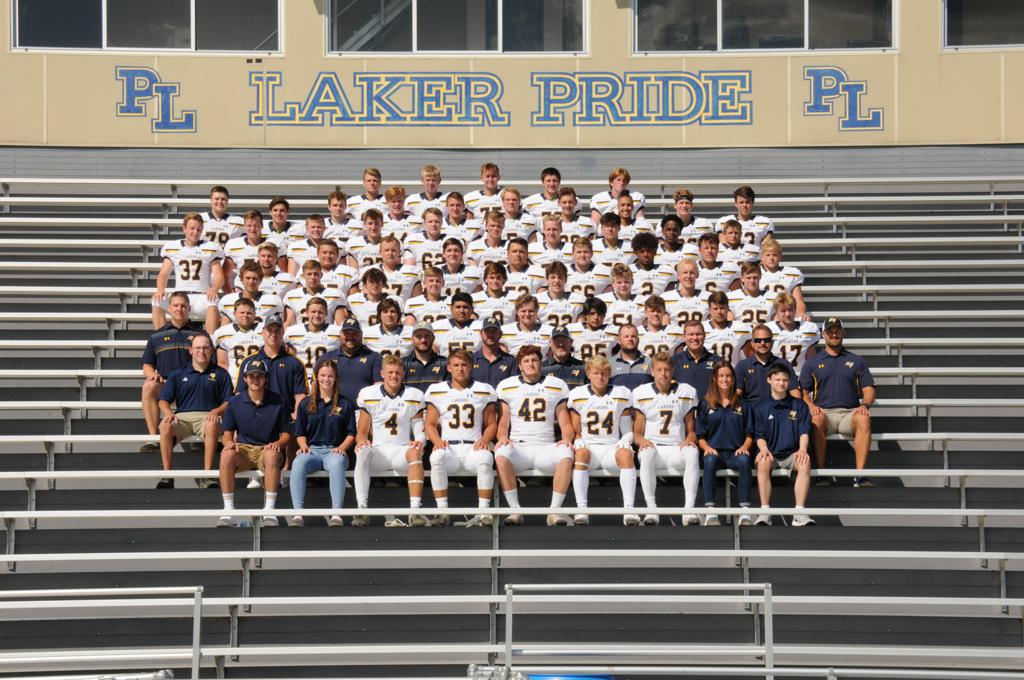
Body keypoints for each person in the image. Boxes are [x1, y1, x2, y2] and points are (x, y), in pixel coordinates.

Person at [495, 346, 575, 526]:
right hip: (519, 447)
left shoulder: (556, 385)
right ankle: (515, 510)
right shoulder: (507, 386)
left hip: (546, 447)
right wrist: (502, 438)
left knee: (567, 454)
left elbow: (565, 422)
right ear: (519, 365)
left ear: (541, 363)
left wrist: (567, 439)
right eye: (526, 361)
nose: (531, 364)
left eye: (535, 360)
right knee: (500, 455)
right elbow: (503, 422)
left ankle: (554, 511)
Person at [424, 349, 499, 525]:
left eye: (464, 365)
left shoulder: (484, 390)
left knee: (486, 457)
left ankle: (484, 512)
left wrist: (485, 440)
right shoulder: (437, 390)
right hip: (449, 447)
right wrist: (436, 441)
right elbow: (430, 423)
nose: (460, 369)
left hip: (473, 446)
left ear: (471, 366)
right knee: (436, 457)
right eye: (456, 365)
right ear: (449, 367)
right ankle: (442, 512)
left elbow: (491, 423)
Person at [800, 317, 875, 486]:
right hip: (824, 413)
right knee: (815, 418)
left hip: (850, 413)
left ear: (843, 333)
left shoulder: (857, 360)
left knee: (864, 417)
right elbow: (802, 393)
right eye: (830, 331)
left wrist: (864, 404)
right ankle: (822, 474)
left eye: (837, 330)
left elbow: (869, 391)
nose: (834, 334)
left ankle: (860, 476)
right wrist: (811, 405)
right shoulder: (812, 362)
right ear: (823, 334)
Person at [354, 355, 428, 527]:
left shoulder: (414, 395)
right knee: (362, 452)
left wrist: (419, 441)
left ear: (403, 373)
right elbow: (362, 432)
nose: (394, 376)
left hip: (401, 451)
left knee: (416, 452)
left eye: (397, 372)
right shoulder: (368, 394)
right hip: (379, 451)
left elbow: (419, 431)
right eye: (390, 372)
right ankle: (361, 509)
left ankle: (415, 511)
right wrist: (361, 441)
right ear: (382, 374)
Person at [217, 358, 292, 527]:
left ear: (266, 378)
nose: (255, 379)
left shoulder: (279, 401)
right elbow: (227, 435)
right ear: (245, 378)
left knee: (272, 455)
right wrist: (228, 443)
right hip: (243, 450)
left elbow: (287, 435)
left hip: (267, 449)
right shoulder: (234, 402)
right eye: (251, 376)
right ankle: (228, 510)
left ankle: (269, 510)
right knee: (226, 455)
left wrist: (278, 444)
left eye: (260, 376)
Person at [631, 352, 700, 525]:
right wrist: (642, 441)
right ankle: (651, 510)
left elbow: (691, 430)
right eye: (659, 370)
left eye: (667, 370)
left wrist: (690, 439)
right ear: (652, 372)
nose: (664, 373)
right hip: (654, 449)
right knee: (646, 453)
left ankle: (689, 510)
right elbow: (637, 433)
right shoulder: (641, 393)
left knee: (692, 452)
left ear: (673, 371)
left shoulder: (686, 392)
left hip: (677, 448)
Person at [156, 333, 232, 488]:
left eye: (205, 348)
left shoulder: (221, 374)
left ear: (211, 350)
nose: (201, 351)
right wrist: (168, 412)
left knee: (211, 424)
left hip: (208, 417)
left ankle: (207, 476)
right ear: (190, 350)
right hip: (182, 418)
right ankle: (167, 476)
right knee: (164, 426)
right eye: (197, 348)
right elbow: (163, 400)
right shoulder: (177, 373)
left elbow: (229, 402)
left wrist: (216, 411)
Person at [568, 355, 637, 525]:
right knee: (580, 453)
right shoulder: (577, 395)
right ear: (588, 374)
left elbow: (628, 431)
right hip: (589, 449)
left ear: (610, 374)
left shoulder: (622, 394)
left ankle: (629, 510)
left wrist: (626, 439)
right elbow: (575, 431)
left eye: (604, 373)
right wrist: (577, 438)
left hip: (611, 448)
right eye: (596, 373)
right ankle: (582, 510)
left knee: (626, 454)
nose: (600, 377)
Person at [288, 360, 357, 527]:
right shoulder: (305, 403)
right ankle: (298, 513)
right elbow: (300, 433)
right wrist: (303, 446)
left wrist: (342, 448)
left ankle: (336, 513)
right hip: (313, 451)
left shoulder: (345, 403)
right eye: (323, 375)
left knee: (336, 463)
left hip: (335, 451)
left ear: (336, 378)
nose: (326, 379)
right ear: (317, 377)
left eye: (330, 376)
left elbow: (351, 434)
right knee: (298, 463)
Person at [140, 292, 204, 452]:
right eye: (175, 305)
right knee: (148, 386)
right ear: (169, 308)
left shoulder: (200, 334)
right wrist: (152, 375)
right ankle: (153, 438)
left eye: (183, 306)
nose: (179, 309)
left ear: (189, 308)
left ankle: (199, 435)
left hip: (194, 384)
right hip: (167, 385)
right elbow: (147, 365)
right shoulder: (156, 336)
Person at [753, 363, 814, 526]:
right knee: (763, 461)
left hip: (791, 454)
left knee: (804, 461)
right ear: (769, 380)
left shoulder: (799, 405)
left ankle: (799, 514)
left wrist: (802, 449)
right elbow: (759, 435)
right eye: (777, 379)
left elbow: (804, 431)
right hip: (771, 453)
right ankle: (765, 513)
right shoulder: (760, 407)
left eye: (785, 380)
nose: (781, 383)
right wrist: (764, 449)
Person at [697, 362, 753, 526]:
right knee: (709, 460)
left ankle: (745, 511)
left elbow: (750, 434)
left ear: (733, 378)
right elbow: (700, 437)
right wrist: (707, 448)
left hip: (735, 453)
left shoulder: (743, 403)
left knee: (744, 460)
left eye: (728, 376)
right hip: (715, 453)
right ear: (714, 378)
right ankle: (711, 511)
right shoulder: (705, 404)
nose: (725, 379)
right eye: (721, 376)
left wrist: (744, 447)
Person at [151, 212, 225, 334]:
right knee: (157, 300)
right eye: (192, 228)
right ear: (184, 228)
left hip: (201, 297)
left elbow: (219, 276)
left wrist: (214, 289)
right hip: (179, 297)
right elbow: (164, 273)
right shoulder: (173, 247)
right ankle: (161, 339)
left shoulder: (211, 247)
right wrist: (160, 289)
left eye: (199, 229)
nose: (195, 232)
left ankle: (210, 340)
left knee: (213, 300)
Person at [236, 315, 309, 421]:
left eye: (277, 330)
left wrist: (295, 416)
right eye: (269, 330)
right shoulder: (248, 361)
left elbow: (300, 395)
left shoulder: (295, 363)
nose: (273, 334)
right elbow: (240, 394)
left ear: (283, 332)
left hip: (284, 418)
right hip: (254, 417)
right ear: (262, 332)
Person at [317, 317, 384, 407]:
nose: (350, 337)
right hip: (333, 410)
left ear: (361, 334)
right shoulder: (327, 357)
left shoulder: (374, 358)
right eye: (346, 333)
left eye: (354, 333)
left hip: (363, 410)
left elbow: (378, 388)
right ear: (340, 334)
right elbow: (316, 385)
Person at [735, 325, 800, 405]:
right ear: (752, 344)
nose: (762, 343)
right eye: (758, 340)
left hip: (779, 409)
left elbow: (794, 391)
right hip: (752, 410)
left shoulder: (784, 365)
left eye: (766, 340)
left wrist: (797, 409)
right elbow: (737, 393)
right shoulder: (742, 366)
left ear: (772, 342)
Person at [284, 297, 341, 380]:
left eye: (320, 312)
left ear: (326, 313)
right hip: (301, 378)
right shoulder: (292, 331)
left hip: (326, 379)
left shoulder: (337, 331)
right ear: (306, 313)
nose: (317, 315)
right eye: (313, 312)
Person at [213, 297, 264, 386]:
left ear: (255, 314)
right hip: (233, 381)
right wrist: (226, 383)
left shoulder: (263, 330)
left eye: (249, 313)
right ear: (234, 313)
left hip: (258, 380)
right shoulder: (223, 332)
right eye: (242, 312)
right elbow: (222, 363)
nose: (245, 315)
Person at [767, 292, 819, 375]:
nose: (787, 314)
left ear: (795, 309)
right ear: (776, 312)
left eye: (790, 310)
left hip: (799, 376)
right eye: (783, 311)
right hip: (776, 377)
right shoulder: (769, 329)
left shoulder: (808, 328)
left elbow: (811, 360)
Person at [282, 260, 345, 327]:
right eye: (309, 274)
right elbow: (289, 323)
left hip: (326, 333)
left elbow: (340, 324)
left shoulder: (335, 295)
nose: (313, 277)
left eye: (316, 274)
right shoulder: (292, 296)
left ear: (321, 275)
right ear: (303, 276)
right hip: (301, 333)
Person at [219, 262, 284, 325]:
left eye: (254, 278)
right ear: (241, 279)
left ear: (260, 280)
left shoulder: (273, 300)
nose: (251, 281)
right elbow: (225, 329)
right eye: (248, 278)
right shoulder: (228, 300)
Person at [760, 238, 810, 320]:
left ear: (780, 256)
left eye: (774, 255)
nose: (771, 258)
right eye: (768, 255)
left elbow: (798, 300)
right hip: (762, 314)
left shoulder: (791, 273)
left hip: (784, 314)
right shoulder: (755, 274)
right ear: (761, 257)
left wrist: (801, 313)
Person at [671, 320, 722, 398]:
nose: (695, 338)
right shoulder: (674, 362)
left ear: (704, 336)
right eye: (691, 334)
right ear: (684, 337)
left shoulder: (718, 362)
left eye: (698, 334)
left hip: (710, 405)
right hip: (684, 405)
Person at [703, 291, 752, 368]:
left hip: (733, 372)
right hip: (709, 372)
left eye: (722, 308)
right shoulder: (702, 328)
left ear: (728, 309)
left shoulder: (741, 328)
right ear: (709, 310)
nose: (719, 312)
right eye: (715, 308)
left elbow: (758, 337)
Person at [368, 235, 419, 303]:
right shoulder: (370, 272)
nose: (390, 253)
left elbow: (417, 301)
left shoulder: (412, 272)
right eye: (386, 250)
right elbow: (366, 300)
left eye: (393, 250)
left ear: (399, 252)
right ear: (380, 252)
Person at [472, 317, 519, 388]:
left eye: (494, 331)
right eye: (487, 331)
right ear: (481, 334)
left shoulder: (511, 361)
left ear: (500, 334)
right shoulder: (471, 359)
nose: (491, 335)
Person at [662, 259, 711, 327]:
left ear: (697, 275)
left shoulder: (708, 298)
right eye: (685, 273)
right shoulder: (665, 298)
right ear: (678, 275)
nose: (688, 276)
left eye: (692, 273)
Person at [432, 292, 482, 357]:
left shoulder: (481, 326)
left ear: (472, 309)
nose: (461, 311)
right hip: (446, 363)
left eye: (465, 307)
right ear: (451, 308)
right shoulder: (437, 327)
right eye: (458, 307)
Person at [403, 321, 449, 392]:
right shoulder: (403, 364)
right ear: (412, 339)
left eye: (427, 336)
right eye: (418, 336)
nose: (423, 340)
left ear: (433, 338)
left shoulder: (445, 364)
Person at [728, 262, 776, 328]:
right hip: (741, 334)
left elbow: (776, 325)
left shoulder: (773, 297)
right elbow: (729, 326)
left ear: (760, 277)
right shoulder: (731, 297)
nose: (752, 281)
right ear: (742, 278)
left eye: (755, 278)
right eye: (748, 278)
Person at [598, 264, 646, 329]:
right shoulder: (601, 300)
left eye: (626, 282)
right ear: (613, 283)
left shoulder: (643, 301)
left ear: (632, 282)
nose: (623, 285)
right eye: (619, 282)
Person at [568, 297, 616, 362]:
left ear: (604, 316)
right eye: (592, 313)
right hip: (580, 368)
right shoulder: (571, 330)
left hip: (603, 368)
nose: (596, 317)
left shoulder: (614, 331)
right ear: (585, 315)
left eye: (600, 314)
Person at [536, 262, 582, 327]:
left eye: (560, 277)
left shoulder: (578, 300)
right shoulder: (537, 300)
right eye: (553, 277)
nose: (557, 281)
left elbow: (580, 327)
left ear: (565, 279)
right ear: (547, 280)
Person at [610, 323, 653, 391]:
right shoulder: (609, 364)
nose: (630, 339)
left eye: (633, 336)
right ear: (619, 340)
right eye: (626, 336)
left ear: (638, 340)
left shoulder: (650, 362)